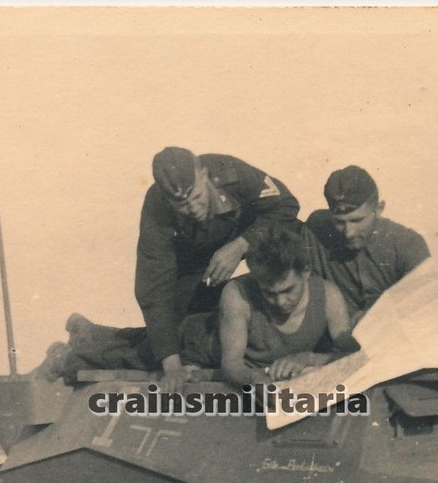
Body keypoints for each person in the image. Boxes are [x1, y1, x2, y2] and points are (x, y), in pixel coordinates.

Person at [42, 147, 300, 391]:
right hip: (193, 274)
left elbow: (286, 206)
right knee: (181, 342)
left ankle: (92, 335)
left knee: (298, 236)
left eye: (198, 197)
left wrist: (241, 245)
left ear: (205, 175)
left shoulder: (233, 174)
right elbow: (154, 286)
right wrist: (172, 366)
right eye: (182, 205)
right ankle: (82, 349)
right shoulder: (157, 207)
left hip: (239, 246)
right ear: (168, 200)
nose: (193, 209)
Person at [179, 226, 357, 388]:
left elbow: (353, 356)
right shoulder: (236, 294)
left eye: (288, 290)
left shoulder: (329, 295)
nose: (279, 302)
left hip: (258, 365)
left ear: (306, 271)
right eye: (269, 293)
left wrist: (309, 358)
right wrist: (256, 380)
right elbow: (231, 365)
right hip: (194, 345)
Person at [303, 165, 432, 322]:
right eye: (339, 222)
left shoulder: (408, 244)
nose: (348, 232)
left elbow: (425, 309)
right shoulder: (316, 230)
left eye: (357, 220)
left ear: (379, 209)